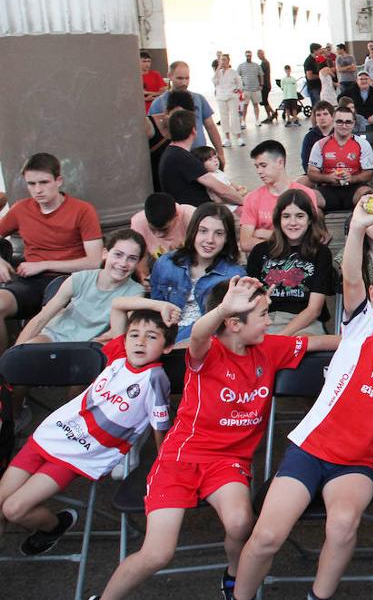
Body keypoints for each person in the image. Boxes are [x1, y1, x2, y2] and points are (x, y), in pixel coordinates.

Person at [90, 277, 337, 600]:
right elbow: (198, 334)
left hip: (228, 462)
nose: (269, 321)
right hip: (180, 457)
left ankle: (235, 577)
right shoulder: (207, 352)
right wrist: (223, 308)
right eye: (263, 314)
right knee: (157, 554)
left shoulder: (270, 347)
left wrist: (372, 338)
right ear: (233, 323)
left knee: (239, 523)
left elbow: (322, 343)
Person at [230, 204, 373, 600]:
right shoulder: (362, 324)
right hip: (311, 447)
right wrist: (355, 229)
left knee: (340, 526)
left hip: (358, 462)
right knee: (267, 534)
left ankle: (317, 597)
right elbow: (352, 275)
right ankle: (238, 594)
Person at [0, 310, 172, 557]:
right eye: (134, 335)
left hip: (78, 454)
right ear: (124, 339)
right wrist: (154, 306)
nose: (140, 342)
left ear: (167, 347)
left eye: (152, 337)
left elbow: (160, 426)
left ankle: (54, 527)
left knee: (14, 509)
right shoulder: (118, 355)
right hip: (51, 435)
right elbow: (120, 305)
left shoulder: (154, 378)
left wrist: (162, 462)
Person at [0, 153, 104, 349]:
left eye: (43, 182)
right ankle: (4, 373)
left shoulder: (82, 210)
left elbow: (94, 261)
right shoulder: (21, 209)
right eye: (31, 184)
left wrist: (44, 265)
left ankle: (27, 369)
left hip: (69, 280)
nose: (37, 190)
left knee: (50, 319)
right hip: (29, 282)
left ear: (58, 181)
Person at [127, 203, 245, 343]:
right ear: (193, 231)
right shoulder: (166, 263)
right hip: (162, 337)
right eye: (203, 231)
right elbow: (155, 309)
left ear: (227, 238)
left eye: (219, 233)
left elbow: (225, 327)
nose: (210, 240)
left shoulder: (234, 275)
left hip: (203, 343)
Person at [16, 229, 146, 344]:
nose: (123, 263)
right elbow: (42, 318)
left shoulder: (135, 291)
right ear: (105, 253)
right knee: (30, 350)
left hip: (91, 346)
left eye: (132, 258)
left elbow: (122, 334)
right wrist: (14, 355)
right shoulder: (80, 278)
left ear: (138, 262)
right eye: (118, 254)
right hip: (56, 336)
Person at [245, 190, 332, 336]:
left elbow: (314, 309)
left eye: (299, 216)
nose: (293, 223)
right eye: (286, 216)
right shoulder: (260, 251)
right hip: (266, 319)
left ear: (310, 219)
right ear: (278, 219)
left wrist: (281, 337)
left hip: (304, 324)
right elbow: (251, 300)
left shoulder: (321, 253)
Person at [238, 140, 320, 253]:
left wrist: (264, 233)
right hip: (266, 261)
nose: (259, 171)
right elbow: (246, 243)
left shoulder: (305, 193)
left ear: (280, 163)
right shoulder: (252, 198)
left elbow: (309, 235)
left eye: (263, 165)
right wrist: (289, 239)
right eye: (256, 166)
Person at [158, 109, 244, 208]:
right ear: (194, 131)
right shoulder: (183, 158)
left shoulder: (172, 153)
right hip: (199, 214)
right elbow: (220, 189)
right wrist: (244, 201)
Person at [147, 61, 225, 163]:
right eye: (180, 78)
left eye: (187, 78)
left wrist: (220, 154)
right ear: (170, 76)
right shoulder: (158, 103)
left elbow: (211, 127)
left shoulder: (199, 99)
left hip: (199, 157)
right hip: (175, 160)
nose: (184, 83)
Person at [307, 105, 373, 211]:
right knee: (308, 200)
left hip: (354, 189)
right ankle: (318, 227)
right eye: (339, 121)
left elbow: (368, 173)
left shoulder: (363, 144)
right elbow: (311, 173)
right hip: (328, 189)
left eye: (348, 122)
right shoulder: (320, 144)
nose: (344, 126)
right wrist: (328, 177)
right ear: (333, 122)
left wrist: (353, 178)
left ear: (353, 123)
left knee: (371, 198)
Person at [130, 193, 196, 264]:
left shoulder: (191, 217)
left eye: (164, 229)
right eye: (152, 229)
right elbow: (139, 258)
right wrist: (144, 275)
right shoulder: (139, 222)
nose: (158, 235)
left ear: (176, 215)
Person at [212, 53, 243, 148]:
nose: (223, 61)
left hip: (232, 96)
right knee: (224, 117)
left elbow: (239, 83)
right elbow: (214, 81)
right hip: (221, 97)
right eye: (221, 60)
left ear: (228, 61)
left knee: (234, 116)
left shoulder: (233, 72)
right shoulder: (218, 73)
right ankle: (227, 138)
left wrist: (237, 90)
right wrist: (218, 68)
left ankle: (238, 137)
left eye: (225, 59)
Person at [237, 51, 264, 129]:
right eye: (247, 55)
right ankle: (243, 121)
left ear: (251, 56)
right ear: (245, 56)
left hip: (255, 89)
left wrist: (261, 85)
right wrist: (240, 86)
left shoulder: (256, 65)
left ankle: (257, 120)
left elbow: (261, 75)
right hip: (245, 89)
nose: (248, 56)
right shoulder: (241, 66)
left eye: (249, 55)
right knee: (245, 106)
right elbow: (237, 76)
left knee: (256, 105)